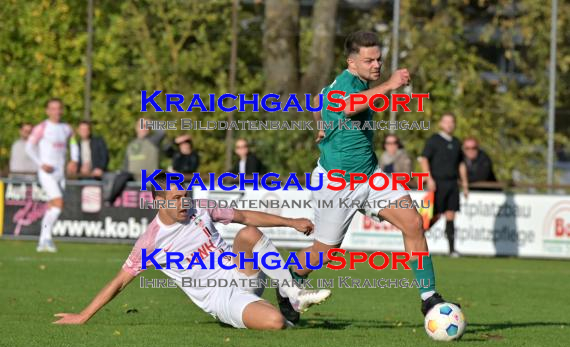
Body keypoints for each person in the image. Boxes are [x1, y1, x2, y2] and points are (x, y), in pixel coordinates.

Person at [279, 31, 457, 324]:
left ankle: (429, 298)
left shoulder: (354, 83)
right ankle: (288, 285)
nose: (376, 64)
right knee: (324, 252)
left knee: (413, 222)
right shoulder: (348, 86)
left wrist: (320, 125)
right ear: (351, 62)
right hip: (336, 184)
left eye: (379, 59)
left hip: (370, 176)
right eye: (369, 60)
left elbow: (317, 99)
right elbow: (348, 106)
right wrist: (390, 84)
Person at [53, 171, 331, 329]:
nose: (184, 202)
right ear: (158, 202)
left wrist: (290, 221)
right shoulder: (150, 242)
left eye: (185, 195)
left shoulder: (202, 207)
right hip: (221, 298)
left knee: (247, 234)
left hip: (242, 273)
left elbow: (244, 217)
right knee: (275, 323)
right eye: (176, 198)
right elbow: (119, 282)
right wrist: (83, 316)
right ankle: (283, 310)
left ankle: (291, 292)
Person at [25, 98, 79, 252]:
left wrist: (74, 160)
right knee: (58, 203)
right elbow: (29, 147)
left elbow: (74, 142)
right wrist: (41, 163)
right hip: (46, 173)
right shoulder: (42, 127)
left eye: (58, 108)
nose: (56, 111)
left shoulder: (66, 128)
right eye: (52, 108)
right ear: (47, 111)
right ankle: (46, 238)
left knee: (53, 207)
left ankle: (43, 241)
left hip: (60, 174)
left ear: (61, 110)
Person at [419, 113, 469, 257]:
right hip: (437, 182)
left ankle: (452, 250)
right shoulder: (434, 140)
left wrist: (465, 185)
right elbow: (424, 159)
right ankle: (416, 244)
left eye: (451, 122)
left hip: (452, 183)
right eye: (446, 122)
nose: (449, 124)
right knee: (432, 216)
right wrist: (428, 179)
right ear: (441, 124)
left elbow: (461, 164)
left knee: (451, 214)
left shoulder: (457, 143)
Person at [106, 118, 165, 203]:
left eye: (146, 126)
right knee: (119, 176)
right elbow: (126, 165)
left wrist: (150, 123)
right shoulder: (131, 145)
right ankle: (109, 200)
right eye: (141, 126)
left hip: (148, 178)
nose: (143, 128)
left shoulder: (153, 141)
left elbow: (162, 131)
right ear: (136, 128)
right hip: (132, 177)